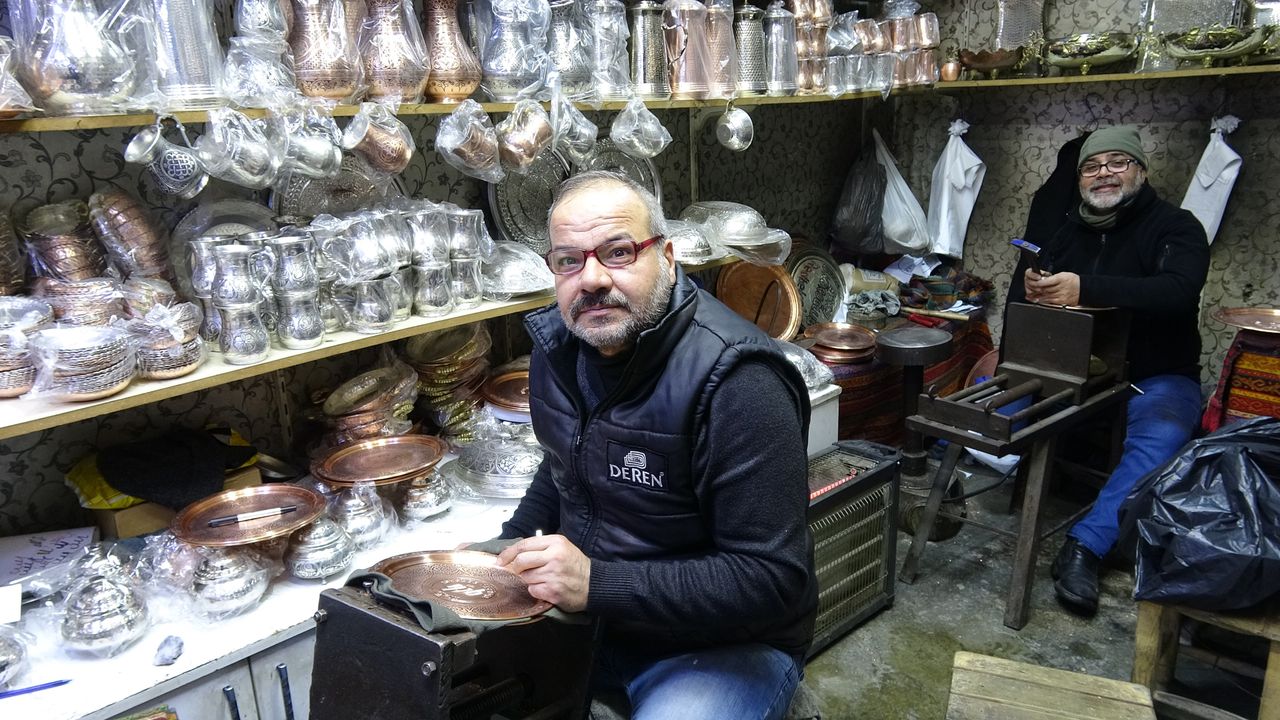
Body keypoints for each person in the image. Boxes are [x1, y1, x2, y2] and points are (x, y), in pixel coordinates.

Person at [490, 170, 819, 720]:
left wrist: (596, 583)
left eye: (618, 252)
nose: (591, 278)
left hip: (722, 644)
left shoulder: (738, 381)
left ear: (666, 257)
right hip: (595, 620)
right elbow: (563, 466)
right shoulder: (559, 350)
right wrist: (503, 551)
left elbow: (771, 579)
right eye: (569, 260)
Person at [1009, 125, 1209, 616]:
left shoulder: (1176, 227)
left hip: (1154, 374)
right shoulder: (1069, 230)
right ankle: (949, 487)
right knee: (987, 399)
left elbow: (1177, 291)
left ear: (1140, 170)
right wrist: (1039, 289)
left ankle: (1086, 546)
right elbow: (1047, 294)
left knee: (1163, 437)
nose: (1104, 174)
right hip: (1078, 369)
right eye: (1092, 167)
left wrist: (1086, 289)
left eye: (1117, 162)